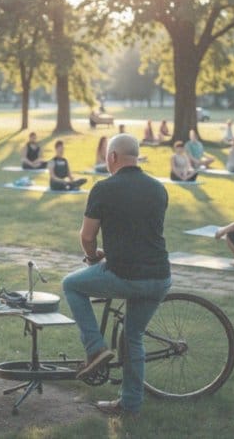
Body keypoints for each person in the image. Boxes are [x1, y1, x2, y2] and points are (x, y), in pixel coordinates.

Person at [61, 134, 170, 416]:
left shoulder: (104, 188)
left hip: (125, 274)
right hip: (159, 276)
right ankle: (130, 404)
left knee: (72, 284)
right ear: (137, 156)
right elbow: (144, 233)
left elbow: (87, 236)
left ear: (112, 157)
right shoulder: (158, 189)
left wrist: (93, 256)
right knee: (132, 337)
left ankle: (96, 349)